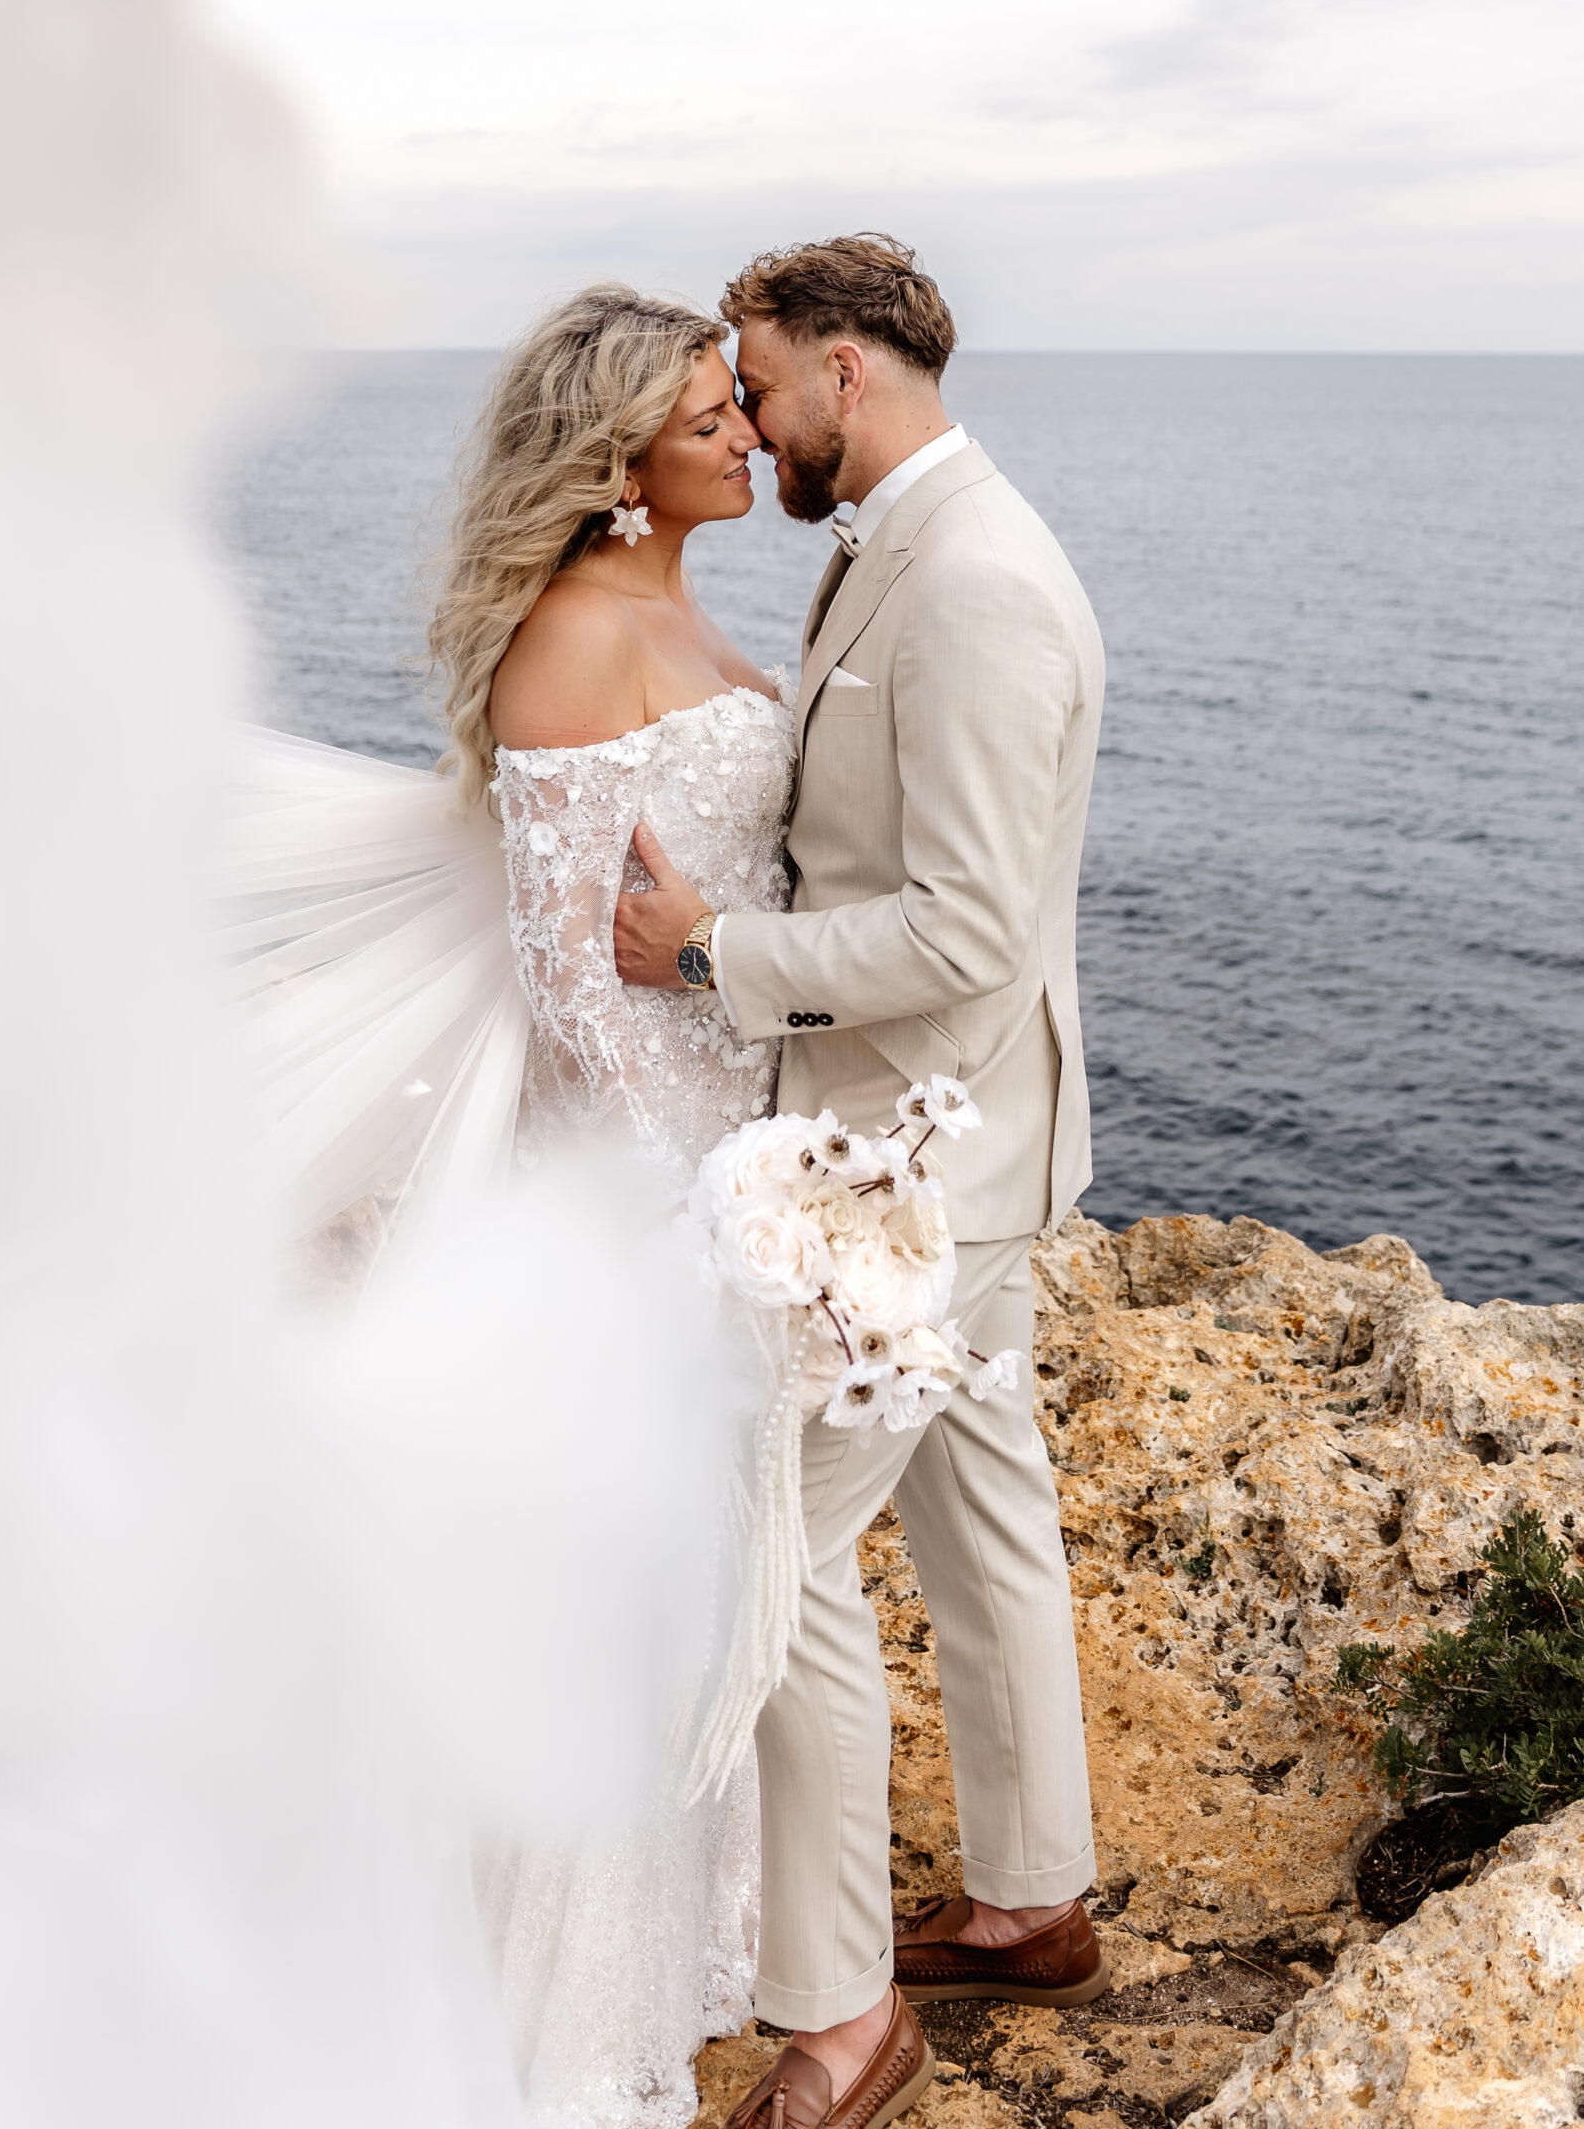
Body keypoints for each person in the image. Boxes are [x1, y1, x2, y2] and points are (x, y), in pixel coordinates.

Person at [226, 282, 798, 2129]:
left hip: (732, 1134)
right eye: (708, 415)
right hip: (645, 1182)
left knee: (695, 1575)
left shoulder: (673, 603)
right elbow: (568, 986)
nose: (744, 431)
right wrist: (688, 1204)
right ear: (619, 460)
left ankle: (684, 1949)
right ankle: (553, 2027)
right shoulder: (572, 637)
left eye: (738, 404)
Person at [614, 233, 1111, 2129]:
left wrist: (710, 953)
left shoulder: (972, 580)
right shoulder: (906, 541)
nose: (747, 425)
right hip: (961, 1135)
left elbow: (969, 928)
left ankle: (840, 2023)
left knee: (789, 1557)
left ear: (847, 367)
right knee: (986, 1515)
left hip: (921, 1162)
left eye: (756, 386)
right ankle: (1034, 1901)